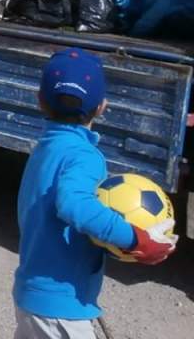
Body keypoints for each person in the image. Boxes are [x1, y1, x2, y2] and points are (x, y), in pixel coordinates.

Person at [13, 48, 177, 338]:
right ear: (102, 106)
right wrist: (137, 239)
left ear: (39, 100)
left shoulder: (46, 148)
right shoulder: (84, 156)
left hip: (35, 293)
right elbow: (73, 204)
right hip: (60, 307)